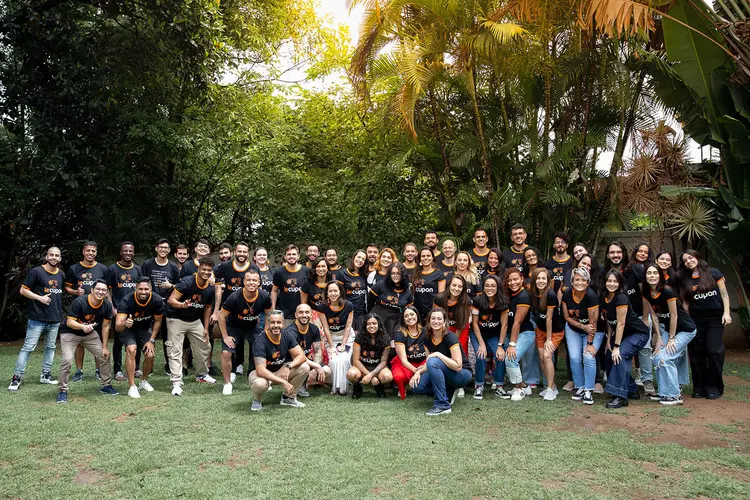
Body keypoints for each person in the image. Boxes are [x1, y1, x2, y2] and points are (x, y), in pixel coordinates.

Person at [9, 247, 64, 391]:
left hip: (54, 319)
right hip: (37, 318)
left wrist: (77, 291)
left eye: (56, 255)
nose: (54, 257)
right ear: (46, 256)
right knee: (28, 348)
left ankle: (46, 376)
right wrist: (39, 298)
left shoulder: (61, 275)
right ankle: (16, 378)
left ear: (60, 258)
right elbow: (23, 290)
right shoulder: (36, 272)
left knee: (50, 348)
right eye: (51, 255)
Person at [679, 250, 732, 399]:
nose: (688, 261)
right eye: (685, 260)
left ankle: (714, 386)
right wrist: (686, 320)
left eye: (690, 258)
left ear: (697, 257)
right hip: (696, 319)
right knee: (696, 352)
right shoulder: (686, 279)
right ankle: (699, 387)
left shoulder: (713, 273)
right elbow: (686, 302)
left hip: (715, 318)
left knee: (714, 350)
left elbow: (724, 293)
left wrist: (726, 313)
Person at [56, 279, 119, 403]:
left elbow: (106, 326)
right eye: (98, 289)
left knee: (104, 355)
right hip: (70, 332)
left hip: (89, 334)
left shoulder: (106, 305)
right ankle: (62, 390)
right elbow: (70, 322)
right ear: (92, 290)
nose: (101, 292)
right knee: (67, 360)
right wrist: (83, 327)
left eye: (104, 290)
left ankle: (106, 385)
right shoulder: (80, 301)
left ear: (107, 293)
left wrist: (105, 346)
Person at [642, 264, 696, 405]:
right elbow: (654, 317)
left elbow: (674, 315)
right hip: (666, 330)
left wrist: (671, 339)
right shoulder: (647, 292)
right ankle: (663, 391)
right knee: (656, 356)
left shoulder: (667, 291)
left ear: (660, 275)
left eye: (655, 273)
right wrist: (659, 338)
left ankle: (674, 395)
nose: (652, 276)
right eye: (649, 273)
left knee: (666, 358)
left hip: (685, 330)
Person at [605, 242, 654, 396]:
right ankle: (630, 387)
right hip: (619, 322)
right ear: (607, 255)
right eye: (612, 252)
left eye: (618, 252)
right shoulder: (606, 273)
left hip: (638, 317)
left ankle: (647, 381)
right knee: (617, 352)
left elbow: (645, 295)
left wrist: (645, 318)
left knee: (644, 350)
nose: (615, 255)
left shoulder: (636, 269)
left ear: (624, 253)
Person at [165, 257, 217, 396]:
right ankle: (176, 383)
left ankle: (201, 375)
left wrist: (206, 328)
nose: (206, 272)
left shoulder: (210, 288)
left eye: (209, 270)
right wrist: (182, 305)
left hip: (194, 320)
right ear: (198, 269)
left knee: (205, 346)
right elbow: (171, 300)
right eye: (204, 269)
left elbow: (207, 308)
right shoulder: (187, 282)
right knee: (175, 350)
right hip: (176, 318)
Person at [217, 269, 272, 395]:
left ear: (259, 282)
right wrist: (225, 336)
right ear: (244, 282)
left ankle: (263, 377)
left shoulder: (264, 296)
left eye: (254, 280)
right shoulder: (234, 297)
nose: (251, 283)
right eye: (249, 280)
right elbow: (221, 316)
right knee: (226, 352)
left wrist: (265, 331)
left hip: (253, 327)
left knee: (263, 348)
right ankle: (227, 383)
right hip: (234, 327)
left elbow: (269, 314)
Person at [602, 270, 650, 408]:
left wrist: (616, 346)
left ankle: (620, 396)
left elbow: (621, 323)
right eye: (609, 281)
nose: (612, 284)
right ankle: (631, 389)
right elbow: (610, 321)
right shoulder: (605, 298)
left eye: (615, 281)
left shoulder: (621, 298)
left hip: (638, 334)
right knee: (608, 355)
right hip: (622, 334)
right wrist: (608, 343)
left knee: (620, 355)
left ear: (620, 283)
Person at [410, 307, 472, 416]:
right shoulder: (427, 338)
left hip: (462, 374)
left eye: (439, 319)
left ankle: (442, 405)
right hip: (443, 371)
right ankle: (449, 391)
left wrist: (439, 355)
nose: (436, 321)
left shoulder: (450, 337)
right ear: (429, 321)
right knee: (417, 386)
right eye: (433, 318)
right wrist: (418, 372)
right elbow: (429, 362)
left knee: (434, 360)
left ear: (444, 322)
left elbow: (458, 366)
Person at [64, 241, 109, 382]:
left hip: (98, 310)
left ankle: (98, 370)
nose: (91, 253)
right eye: (88, 251)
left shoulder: (102, 268)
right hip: (80, 309)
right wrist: (75, 291)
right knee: (79, 342)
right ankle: (79, 370)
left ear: (96, 253)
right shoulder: (74, 268)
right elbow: (67, 287)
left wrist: (110, 305)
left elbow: (107, 289)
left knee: (99, 341)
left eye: (93, 251)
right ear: (83, 251)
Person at [249, 310, 310, 411]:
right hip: (261, 374)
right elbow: (260, 370)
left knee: (305, 367)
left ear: (283, 323)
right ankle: (257, 399)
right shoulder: (260, 341)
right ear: (268, 324)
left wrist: (288, 367)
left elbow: (301, 356)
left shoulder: (287, 335)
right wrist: (283, 382)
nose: (276, 325)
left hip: (279, 370)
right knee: (260, 384)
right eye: (272, 322)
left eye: (278, 322)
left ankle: (288, 398)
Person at [115, 277, 164, 398]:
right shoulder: (126, 300)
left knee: (150, 354)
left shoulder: (156, 300)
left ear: (151, 289)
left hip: (144, 329)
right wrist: (125, 323)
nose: (143, 292)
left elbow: (158, 321)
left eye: (146, 289)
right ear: (135, 289)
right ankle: (132, 386)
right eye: (140, 289)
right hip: (128, 329)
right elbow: (117, 326)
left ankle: (143, 381)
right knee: (131, 349)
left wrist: (151, 340)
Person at [562, 267, 602, 405]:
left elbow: (593, 323)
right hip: (575, 327)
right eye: (576, 280)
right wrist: (581, 326)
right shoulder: (567, 294)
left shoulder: (591, 296)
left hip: (594, 330)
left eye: (583, 280)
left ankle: (589, 390)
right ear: (572, 282)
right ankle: (580, 387)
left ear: (587, 282)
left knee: (588, 355)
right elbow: (567, 317)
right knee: (574, 357)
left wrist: (590, 344)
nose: (579, 282)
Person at [212, 242, 253, 376]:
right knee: (232, 338)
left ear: (248, 253)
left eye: (244, 252)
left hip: (247, 309)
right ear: (234, 252)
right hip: (229, 309)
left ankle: (251, 368)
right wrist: (214, 281)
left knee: (252, 339)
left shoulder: (253, 268)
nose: (242, 254)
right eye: (239, 251)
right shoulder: (224, 266)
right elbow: (214, 277)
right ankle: (235, 366)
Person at [141, 238, 181, 374]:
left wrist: (171, 286)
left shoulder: (173, 266)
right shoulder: (147, 264)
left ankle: (169, 365)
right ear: (156, 249)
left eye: (166, 248)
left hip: (168, 307)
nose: (163, 250)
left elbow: (179, 287)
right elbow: (142, 282)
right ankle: (148, 366)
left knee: (168, 338)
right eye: (161, 247)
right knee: (148, 336)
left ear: (169, 250)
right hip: (150, 306)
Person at [498, 268, 536, 401]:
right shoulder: (507, 294)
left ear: (521, 279)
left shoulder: (524, 295)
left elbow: (517, 323)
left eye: (516, 279)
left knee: (511, 358)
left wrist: (512, 344)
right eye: (510, 280)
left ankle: (519, 389)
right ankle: (524, 386)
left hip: (525, 333)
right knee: (505, 358)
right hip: (510, 332)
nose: (513, 282)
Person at [469, 275, 508, 399]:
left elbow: (504, 325)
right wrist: (481, 344)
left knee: (500, 355)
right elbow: (474, 323)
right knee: (480, 355)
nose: (489, 288)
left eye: (493, 286)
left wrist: (500, 345)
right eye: (487, 285)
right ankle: (479, 386)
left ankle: (499, 386)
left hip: (493, 335)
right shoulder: (477, 300)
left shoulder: (503, 301)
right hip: (478, 334)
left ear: (498, 287)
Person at [108, 241, 142, 383]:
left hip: (135, 311)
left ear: (133, 253)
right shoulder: (113, 269)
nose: (128, 253)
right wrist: (112, 308)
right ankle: (118, 370)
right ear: (121, 252)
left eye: (130, 251)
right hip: (119, 311)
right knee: (118, 342)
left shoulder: (138, 270)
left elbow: (142, 289)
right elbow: (107, 290)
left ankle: (136, 368)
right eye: (125, 251)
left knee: (137, 340)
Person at [529, 268, 565, 401]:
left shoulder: (550, 295)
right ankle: (552, 386)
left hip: (554, 331)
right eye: (538, 278)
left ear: (548, 281)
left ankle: (550, 389)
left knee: (547, 356)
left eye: (544, 278)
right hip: (540, 329)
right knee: (541, 357)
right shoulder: (533, 293)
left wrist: (549, 339)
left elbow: (549, 318)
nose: (541, 281)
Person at [318, 281, 355, 395]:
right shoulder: (322, 307)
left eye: (335, 291)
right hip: (331, 338)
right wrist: (332, 347)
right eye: (330, 291)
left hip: (346, 337)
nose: (333, 293)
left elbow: (348, 327)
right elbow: (326, 329)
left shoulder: (349, 305)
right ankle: (336, 387)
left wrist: (343, 345)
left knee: (344, 359)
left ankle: (344, 388)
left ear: (340, 292)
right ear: (327, 293)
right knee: (334, 360)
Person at [284, 303, 329, 396]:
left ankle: (305, 383)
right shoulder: (290, 332)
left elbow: (318, 351)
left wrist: (315, 368)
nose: (304, 315)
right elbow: (297, 357)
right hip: (291, 364)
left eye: (307, 312)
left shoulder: (314, 328)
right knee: (306, 367)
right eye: (301, 312)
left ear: (311, 315)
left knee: (327, 370)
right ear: (296, 315)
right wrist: (316, 367)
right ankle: (296, 385)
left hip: (306, 360)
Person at [348, 313, 392, 398]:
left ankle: (379, 386)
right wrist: (370, 376)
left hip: (378, 368)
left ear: (378, 324)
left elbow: (383, 362)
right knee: (351, 374)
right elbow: (356, 360)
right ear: (365, 325)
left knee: (387, 377)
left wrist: (371, 375)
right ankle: (357, 387)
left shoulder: (385, 338)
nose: (371, 326)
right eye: (368, 324)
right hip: (362, 367)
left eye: (374, 323)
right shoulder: (359, 337)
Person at [368, 262, 414, 339]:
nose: (395, 275)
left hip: (395, 321)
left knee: (393, 344)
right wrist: (371, 316)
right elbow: (370, 300)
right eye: (392, 273)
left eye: (398, 273)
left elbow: (408, 309)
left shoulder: (407, 291)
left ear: (403, 275)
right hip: (378, 318)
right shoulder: (381, 285)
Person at [391, 306, 427, 400]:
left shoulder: (425, 331)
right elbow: (403, 360)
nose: (410, 317)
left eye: (412, 314)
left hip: (422, 361)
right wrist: (416, 371)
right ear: (403, 319)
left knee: (431, 365)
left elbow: (429, 355)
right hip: (406, 363)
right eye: (406, 316)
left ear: (417, 315)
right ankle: (403, 387)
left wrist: (420, 370)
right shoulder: (399, 333)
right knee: (399, 376)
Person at [433, 275, 471, 359]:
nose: (456, 289)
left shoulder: (466, 301)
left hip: (460, 328)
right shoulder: (439, 299)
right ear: (449, 285)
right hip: (442, 328)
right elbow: (435, 319)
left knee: (458, 353)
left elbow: (463, 324)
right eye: (454, 285)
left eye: (460, 286)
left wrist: (452, 340)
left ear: (463, 289)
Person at [271, 244, 307, 326]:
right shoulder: (279, 272)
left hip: (302, 315)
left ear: (298, 256)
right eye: (289, 254)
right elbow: (274, 291)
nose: (291, 256)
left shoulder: (306, 271)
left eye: (294, 254)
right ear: (285, 257)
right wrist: (273, 309)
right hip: (285, 315)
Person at [413, 247, 446, 320]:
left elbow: (441, 297)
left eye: (428, 256)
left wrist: (435, 312)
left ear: (432, 257)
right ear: (420, 258)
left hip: (432, 312)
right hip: (417, 313)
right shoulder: (416, 273)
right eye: (423, 256)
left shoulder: (439, 274)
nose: (426, 258)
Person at [341, 250, 368, 334]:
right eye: (359, 257)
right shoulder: (343, 273)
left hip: (361, 313)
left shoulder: (365, 275)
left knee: (361, 339)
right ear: (354, 258)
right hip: (348, 312)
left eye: (363, 259)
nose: (360, 260)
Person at [545, 232, 573, 298]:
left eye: (563, 242)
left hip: (569, 298)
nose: (560, 244)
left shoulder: (573, 262)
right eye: (557, 242)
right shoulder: (548, 263)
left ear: (567, 245)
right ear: (554, 245)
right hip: (551, 298)